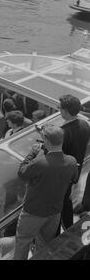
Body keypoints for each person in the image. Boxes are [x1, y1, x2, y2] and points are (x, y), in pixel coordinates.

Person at [14, 124, 78, 260]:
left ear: (47, 141)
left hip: (33, 212)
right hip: (55, 212)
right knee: (44, 245)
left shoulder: (39, 163)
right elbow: (74, 179)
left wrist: (32, 153)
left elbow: (22, 173)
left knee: (22, 243)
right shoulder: (72, 161)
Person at [58, 95, 90, 225]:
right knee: (66, 198)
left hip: (63, 174)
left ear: (65, 111)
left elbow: (56, 154)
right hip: (76, 168)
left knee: (63, 200)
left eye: (59, 108)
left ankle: (67, 226)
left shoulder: (64, 133)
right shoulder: (84, 124)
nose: (59, 110)